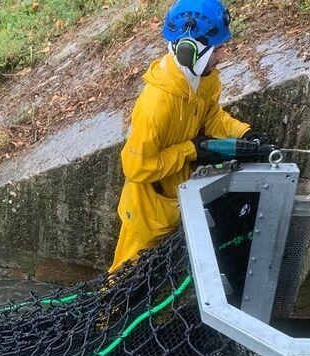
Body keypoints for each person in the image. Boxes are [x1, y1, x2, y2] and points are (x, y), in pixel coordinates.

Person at [109, 0, 266, 273]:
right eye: (218, 48)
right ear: (190, 51)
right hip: (147, 213)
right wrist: (191, 150)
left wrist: (245, 133)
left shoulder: (204, 78)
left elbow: (212, 116)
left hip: (178, 198)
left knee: (160, 279)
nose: (222, 54)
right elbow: (135, 167)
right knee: (124, 281)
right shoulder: (156, 105)